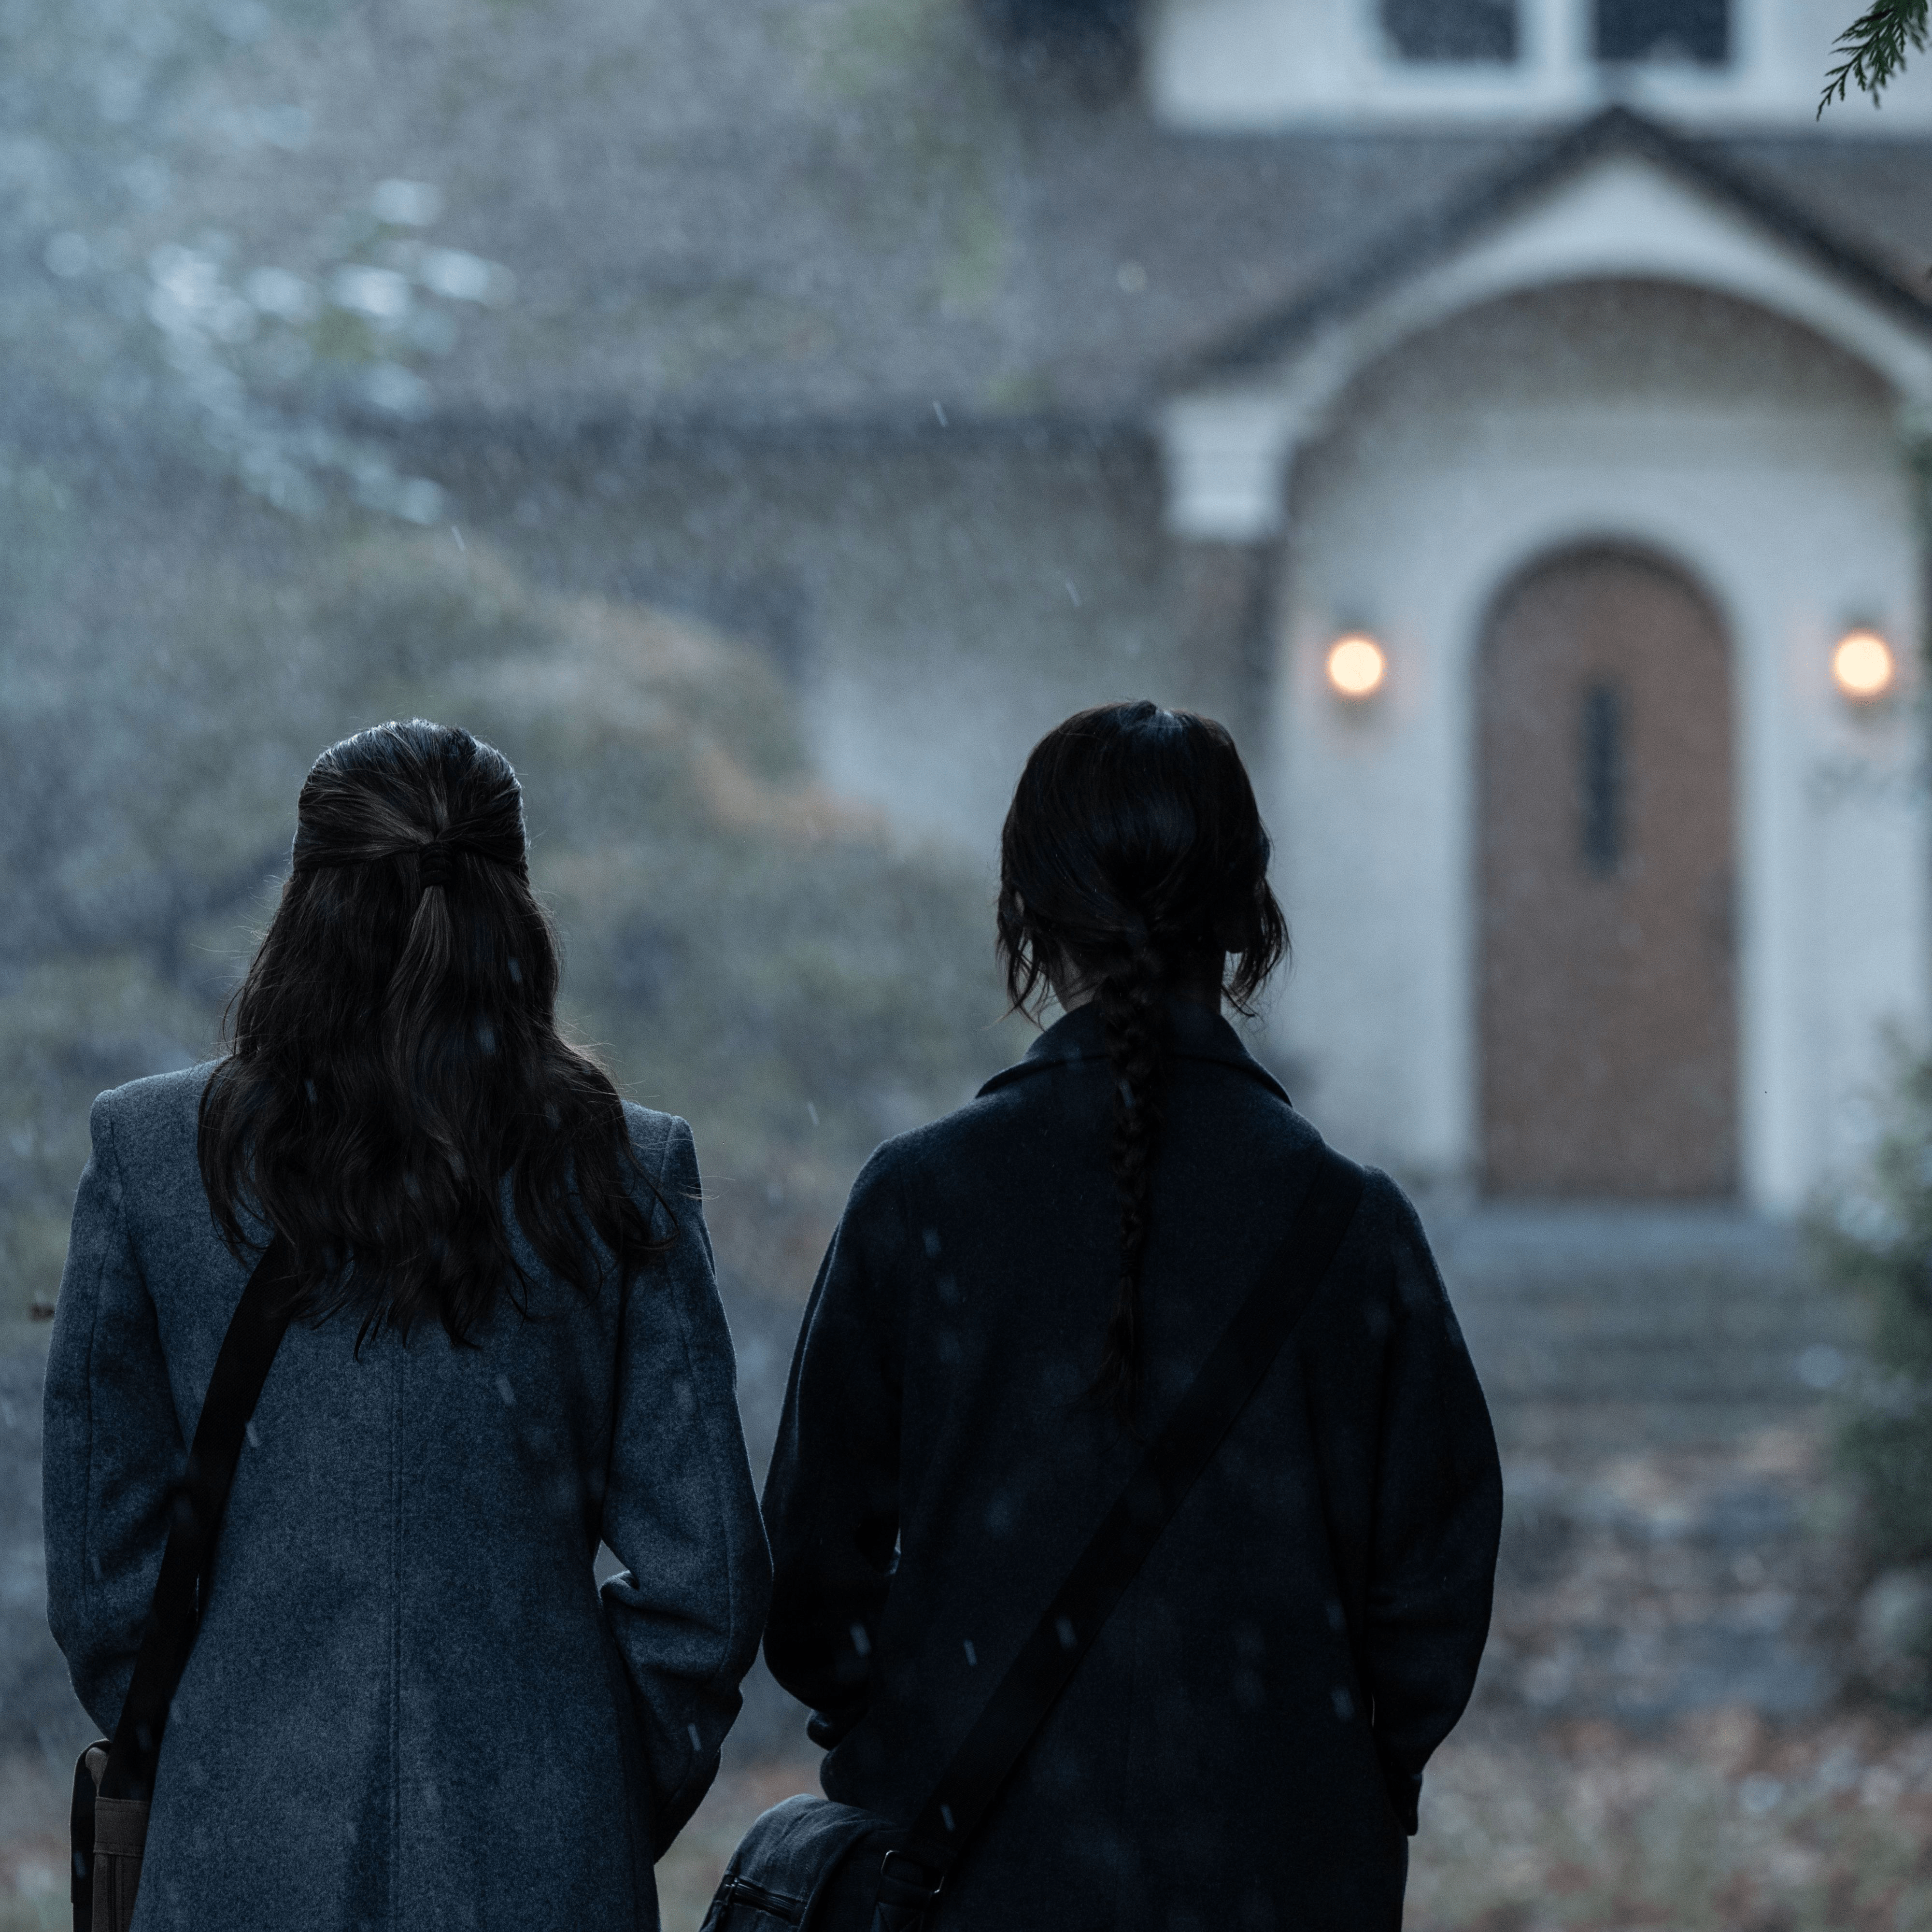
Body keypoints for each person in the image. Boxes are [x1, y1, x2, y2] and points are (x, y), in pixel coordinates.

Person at [761, 701, 1502, 1932]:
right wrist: (1332, 1778)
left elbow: (809, 1572)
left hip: (970, 1871)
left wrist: (921, 1723)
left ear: (1027, 914)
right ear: (1245, 919)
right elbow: (1433, 1582)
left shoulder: (918, 1198)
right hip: (1280, 1874)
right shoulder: (1352, 1228)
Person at [43, 719, 769, 1931]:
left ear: (303, 904)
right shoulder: (624, 1168)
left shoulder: (155, 1155)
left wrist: (219, 1737)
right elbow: (708, 1586)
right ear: (516, 912)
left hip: (235, 1861)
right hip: (540, 1870)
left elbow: (99, 1561)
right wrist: (577, 1789)